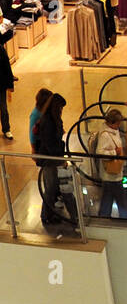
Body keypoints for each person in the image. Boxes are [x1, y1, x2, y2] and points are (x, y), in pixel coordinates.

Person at [32, 91, 74, 227]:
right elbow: (51, 144)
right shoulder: (49, 121)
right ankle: (46, 215)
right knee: (51, 187)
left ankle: (48, 214)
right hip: (50, 159)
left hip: (52, 158)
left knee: (52, 187)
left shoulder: (50, 118)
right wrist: (61, 159)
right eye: (61, 107)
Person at [95, 108, 127, 220]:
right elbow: (100, 152)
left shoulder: (113, 132)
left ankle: (104, 216)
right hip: (111, 173)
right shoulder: (105, 135)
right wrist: (115, 152)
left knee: (108, 196)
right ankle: (126, 216)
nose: (119, 125)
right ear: (112, 122)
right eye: (118, 123)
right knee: (120, 197)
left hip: (113, 173)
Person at [0, 14, 16, 140]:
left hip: (0, 84)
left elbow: (7, 68)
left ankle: (7, 129)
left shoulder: (1, 51)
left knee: (3, 108)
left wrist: (10, 85)